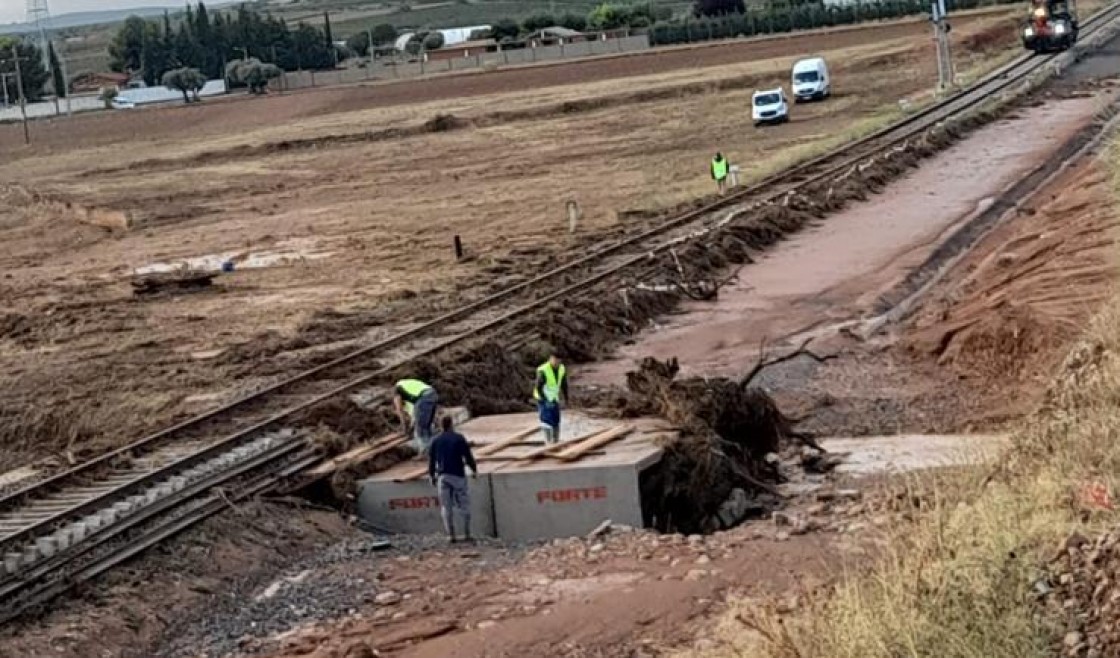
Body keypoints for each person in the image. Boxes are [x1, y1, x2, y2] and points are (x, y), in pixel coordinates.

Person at [428, 415, 477, 544]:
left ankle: (451, 536)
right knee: (464, 505)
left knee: (446, 507)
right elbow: (468, 456)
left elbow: (432, 461)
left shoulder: (435, 440)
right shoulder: (459, 438)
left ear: (440, 425)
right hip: (458, 476)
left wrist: (432, 476)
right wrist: (474, 470)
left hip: (443, 477)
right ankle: (467, 533)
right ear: (451, 424)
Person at [393, 378, 439, 455]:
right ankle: (434, 448)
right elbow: (414, 416)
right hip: (432, 393)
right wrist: (411, 425)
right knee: (427, 426)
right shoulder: (406, 388)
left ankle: (424, 453)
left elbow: (400, 411)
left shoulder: (397, 392)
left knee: (420, 429)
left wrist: (404, 428)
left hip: (424, 397)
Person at [533, 352, 568, 444]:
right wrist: (544, 400)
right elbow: (538, 386)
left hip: (554, 397)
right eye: (554, 360)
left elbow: (564, 384)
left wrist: (566, 398)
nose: (556, 362)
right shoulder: (543, 370)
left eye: (558, 360)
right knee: (546, 419)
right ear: (550, 359)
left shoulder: (561, 369)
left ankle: (555, 441)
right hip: (543, 398)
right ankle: (548, 441)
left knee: (556, 419)